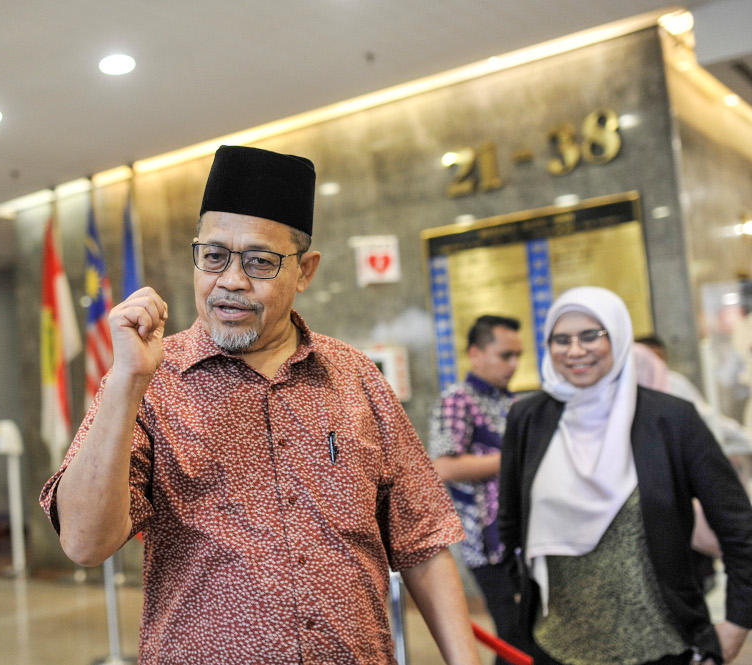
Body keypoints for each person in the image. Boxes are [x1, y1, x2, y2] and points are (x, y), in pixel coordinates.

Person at [40, 145, 480, 664]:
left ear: (305, 271)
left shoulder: (356, 377)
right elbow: (85, 544)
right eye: (214, 256)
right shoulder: (150, 382)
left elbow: (423, 542)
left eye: (259, 261)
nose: (230, 280)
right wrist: (126, 382)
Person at [499, 286, 752, 665]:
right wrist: (521, 590)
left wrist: (736, 623)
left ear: (617, 337)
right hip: (555, 645)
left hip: (662, 646)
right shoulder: (530, 418)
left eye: (590, 335)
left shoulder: (671, 419)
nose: (575, 350)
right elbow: (511, 520)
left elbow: (738, 528)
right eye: (560, 339)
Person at [429, 314, 527, 661]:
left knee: (526, 633)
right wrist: (515, 458)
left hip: (519, 536)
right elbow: (443, 465)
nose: (514, 364)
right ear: (475, 353)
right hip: (485, 542)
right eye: (506, 355)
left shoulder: (512, 402)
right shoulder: (458, 400)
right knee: (513, 636)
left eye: (519, 355)